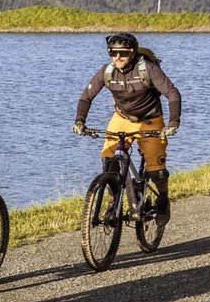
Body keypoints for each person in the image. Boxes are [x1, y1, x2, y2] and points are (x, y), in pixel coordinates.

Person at [73, 32, 182, 218]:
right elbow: (86, 97)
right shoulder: (107, 72)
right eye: (113, 53)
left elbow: (172, 93)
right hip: (122, 119)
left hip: (150, 121)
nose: (117, 58)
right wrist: (80, 121)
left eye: (122, 53)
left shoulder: (147, 69)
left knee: (157, 173)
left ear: (132, 53)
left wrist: (173, 122)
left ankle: (163, 199)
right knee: (109, 161)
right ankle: (113, 203)